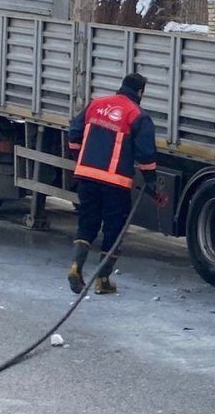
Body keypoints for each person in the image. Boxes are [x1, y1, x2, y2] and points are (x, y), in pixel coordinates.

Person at [67, 73, 161, 295]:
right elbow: (146, 155)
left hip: (87, 177)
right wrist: (152, 183)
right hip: (115, 183)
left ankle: (76, 267)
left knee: (87, 222)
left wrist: (80, 157)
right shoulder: (137, 115)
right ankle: (102, 279)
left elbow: (73, 134)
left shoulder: (95, 105)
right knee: (113, 229)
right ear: (140, 92)